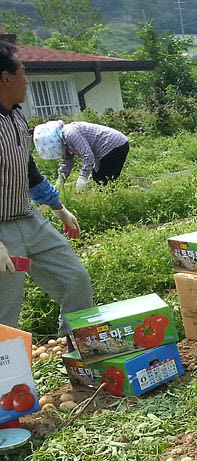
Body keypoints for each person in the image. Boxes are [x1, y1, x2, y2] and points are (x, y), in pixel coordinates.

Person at [0, 42, 92, 331]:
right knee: (6, 309)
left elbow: (26, 168)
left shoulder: (15, 115)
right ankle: (10, 375)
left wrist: (58, 207)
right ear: (5, 77)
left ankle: (80, 359)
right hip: (2, 233)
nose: (27, 80)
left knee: (75, 279)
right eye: (22, 72)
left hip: (28, 219)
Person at [32, 119, 131, 191]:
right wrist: (60, 181)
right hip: (106, 149)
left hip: (114, 145)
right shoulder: (64, 142)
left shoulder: (70, 133)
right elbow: (67, 163)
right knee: (98, 178)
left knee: (103, 180)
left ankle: (111, 205)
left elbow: (88, 155)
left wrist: (82, 178)